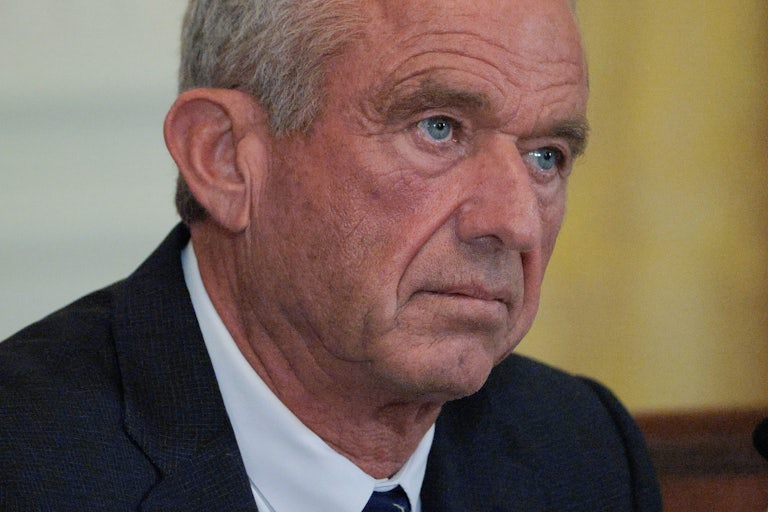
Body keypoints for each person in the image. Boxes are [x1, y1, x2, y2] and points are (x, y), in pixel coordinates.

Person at [0, 0, 661, 510]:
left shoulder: (580, 450)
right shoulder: (24, 464)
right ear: (224, 158)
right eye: (438, 129)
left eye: (547, 155)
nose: (515, 222)